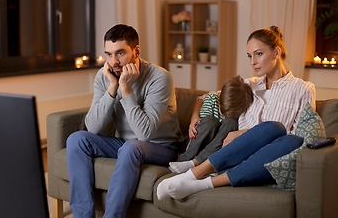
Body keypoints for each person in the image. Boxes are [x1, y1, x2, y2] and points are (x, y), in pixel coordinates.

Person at [157, 25, 316, 200]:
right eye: (250, 56)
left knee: (284, 135)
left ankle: (200, 182)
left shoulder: (303, 89)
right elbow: (206, 96)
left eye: (258, 54)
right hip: (234, 154)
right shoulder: (249, 85)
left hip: (266, 159)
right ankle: (195, 173)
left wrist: (243, 132)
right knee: (273, 127)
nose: (253, 61)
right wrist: (195, 116)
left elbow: (299, 136)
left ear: (276, 53)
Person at [66, 24, 180, 218]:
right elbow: (92, 127)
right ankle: (83, 215)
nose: (113, 61)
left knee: (132, 147)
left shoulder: (159, 78)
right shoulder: (106, 77)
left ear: (136, 51)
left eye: (120, 53)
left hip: (162, 147)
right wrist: (112, 87)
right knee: (77, 139)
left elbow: (145, 134)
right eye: (108, 54)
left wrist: (125, 88)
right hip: (125, 144)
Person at [169, 75, 254, 173]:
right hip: (197, 140)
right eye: (223, 111)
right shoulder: (213, 98)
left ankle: (195, 163)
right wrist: (194, 117)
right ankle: (185, 160)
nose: (225, 116)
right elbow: (203, 128)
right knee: (210, 122)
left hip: (214, 149)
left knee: (231, 123)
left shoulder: (239, 109)